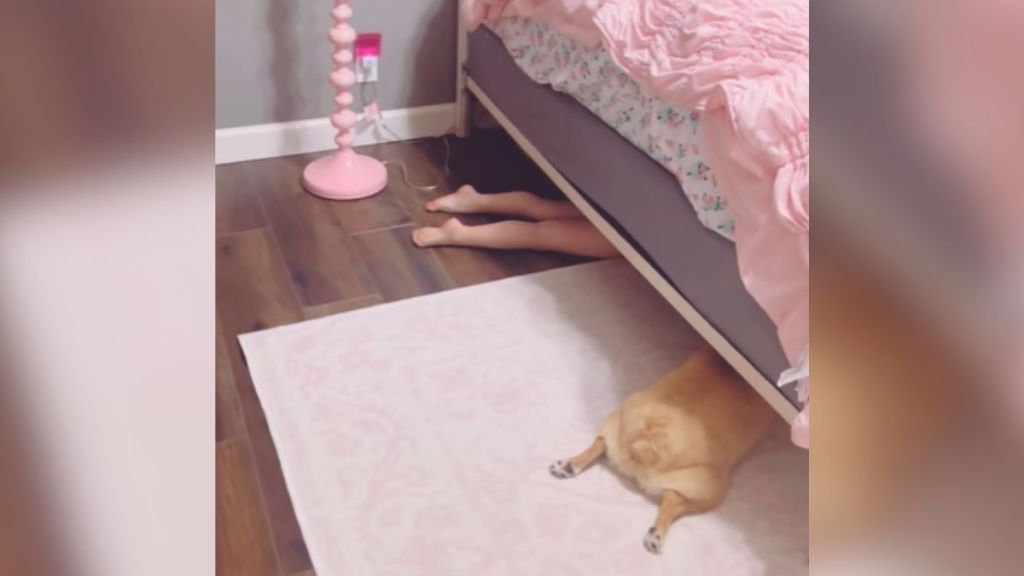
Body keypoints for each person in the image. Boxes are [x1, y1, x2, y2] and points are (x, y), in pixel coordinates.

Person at [411, 185, 618, 259]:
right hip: (633, 232)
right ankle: (459, 232)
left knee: (546, 210)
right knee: (545, 232)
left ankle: (473, 201)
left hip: (630, 210)